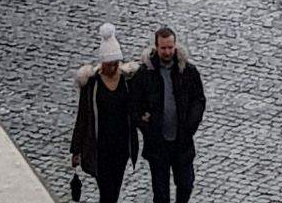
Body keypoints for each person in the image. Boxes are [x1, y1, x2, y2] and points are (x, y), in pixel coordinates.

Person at [134, 25, 205, 203]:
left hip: (182, 141)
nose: (167, 52)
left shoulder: (188, 71)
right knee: (161, 194)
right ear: (156, 47)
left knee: (186, 184)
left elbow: (199, 100)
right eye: (163, 48)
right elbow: (134, 104)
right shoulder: (145, 74)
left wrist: (190, 125)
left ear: (175, 46)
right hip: (157, 143)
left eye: (170, 47)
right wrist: (145, 125)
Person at [71, 24, 141, 203]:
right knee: (106, 191)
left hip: (120, 147)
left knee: (113, 191)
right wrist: (76, 150)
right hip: (99, 147)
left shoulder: (127, 81)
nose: (113, 68)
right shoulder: (92, 84)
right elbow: (83, 116)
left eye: (116, 64)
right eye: (109, 64)